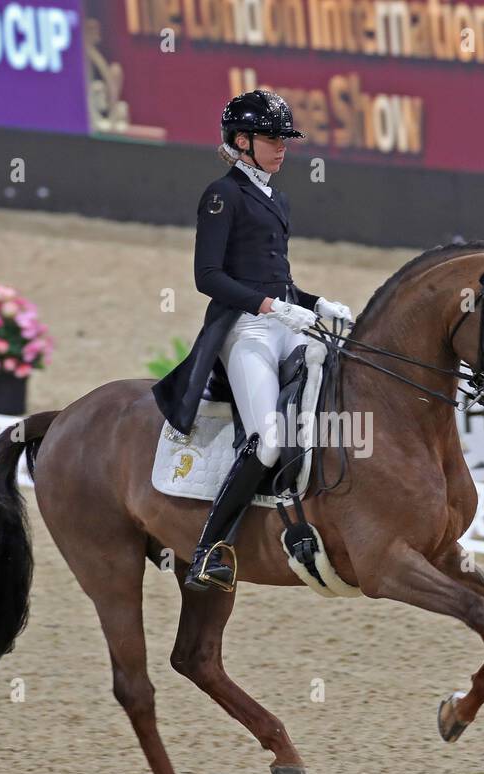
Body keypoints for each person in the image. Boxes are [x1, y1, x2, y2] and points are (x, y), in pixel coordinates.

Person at [151, 89, 354, 591]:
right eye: (271, 138)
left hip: (284, 321)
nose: (282, 147)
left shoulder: (275, 196)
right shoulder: (222, 195)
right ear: (242, 142)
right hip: (244, 328)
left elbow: (272, 275)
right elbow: (209, 276)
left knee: (334, 391)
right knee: (267, 441)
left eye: (284, 138)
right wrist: (272, 307)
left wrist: (313, 303)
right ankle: (208, 550)